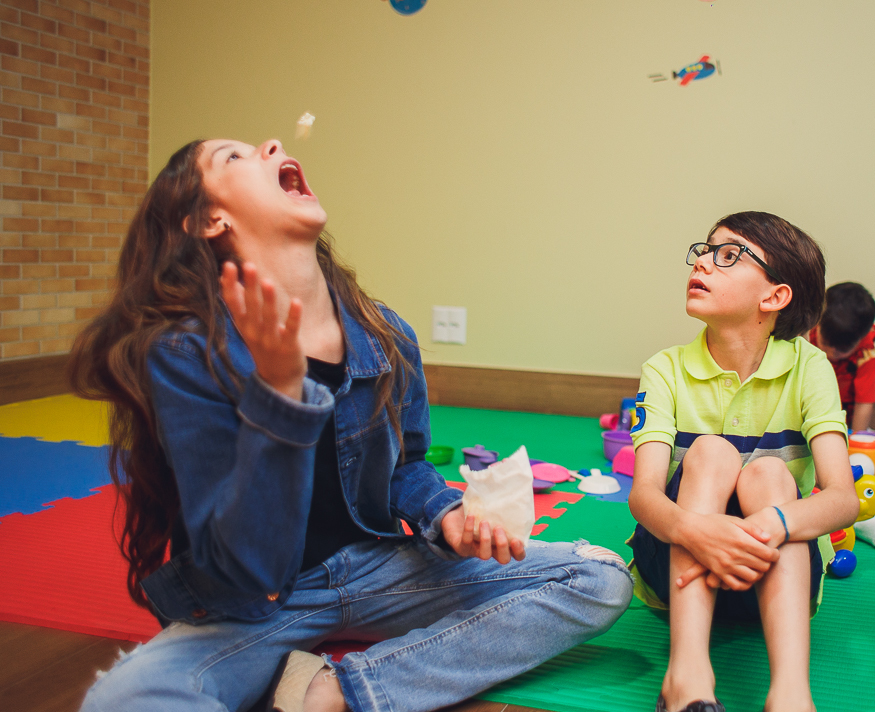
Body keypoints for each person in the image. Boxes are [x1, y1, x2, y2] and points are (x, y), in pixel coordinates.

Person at [69, 139, 632, 712]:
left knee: (598, 579)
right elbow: (241, 563)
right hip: (256, 602)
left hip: (378, 568)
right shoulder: (186, 352)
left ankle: (336, 690)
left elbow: (408, 466)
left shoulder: (386, 333)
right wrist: (279, 394)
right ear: (208, 219)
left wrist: (449, 515)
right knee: (124, 699)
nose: (271, 145)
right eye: (234, 157)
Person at [627, 211, 859, 712]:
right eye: (705, 250)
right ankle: (686, 676)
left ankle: (791, 694)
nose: (704, 263)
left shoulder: (810, 367)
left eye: (728, 256)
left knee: (771, 474)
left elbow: (843, 499)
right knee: (710, 451)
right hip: (675, 567)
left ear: (774, 298)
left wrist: (773, 524)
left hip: (775, 573)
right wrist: (694, 531)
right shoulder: (664, 368)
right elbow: (643, 496)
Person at [806, 282, 875, 432]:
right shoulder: (806, 335)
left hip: (843, 420)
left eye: (842, 350)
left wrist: (856, 440)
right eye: (825, 344)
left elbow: (864, 402)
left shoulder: (865, 353)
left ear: (861, 338)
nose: (831, 354)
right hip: (807, 413)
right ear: (818, 322)